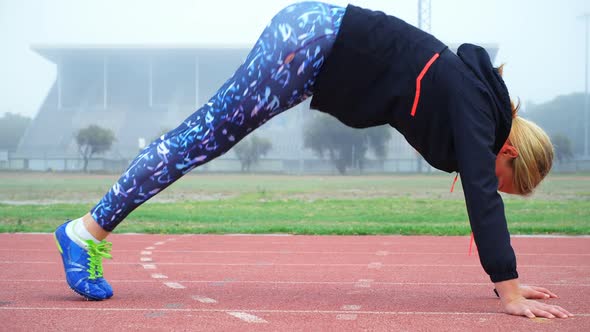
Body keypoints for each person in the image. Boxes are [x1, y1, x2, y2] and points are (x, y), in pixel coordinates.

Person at [54, 1, 573, 319]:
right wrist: (508, 290)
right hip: (310, 43)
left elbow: (479, 186)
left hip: (312, 39)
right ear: (509, 153)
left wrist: (506, 280)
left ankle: (90, 230)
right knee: (200, 137)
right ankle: (86, 231)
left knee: (202, 136)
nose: (493, 184)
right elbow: (482, 197)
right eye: (509, 182)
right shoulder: (479, 112)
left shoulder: (474, 102)